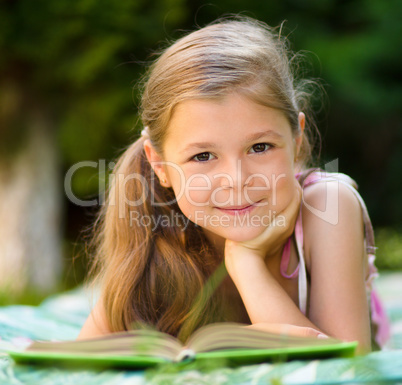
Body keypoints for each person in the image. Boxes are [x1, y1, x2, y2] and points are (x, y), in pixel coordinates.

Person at [77, 17, 389, 353]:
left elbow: (348, 364)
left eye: (259, 147)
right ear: (159, 165)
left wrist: (247, 264)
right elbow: (74, 357)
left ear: (296, 139)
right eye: (203, 156)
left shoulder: (328, 206)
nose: (237, 181)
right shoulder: (156, 230)